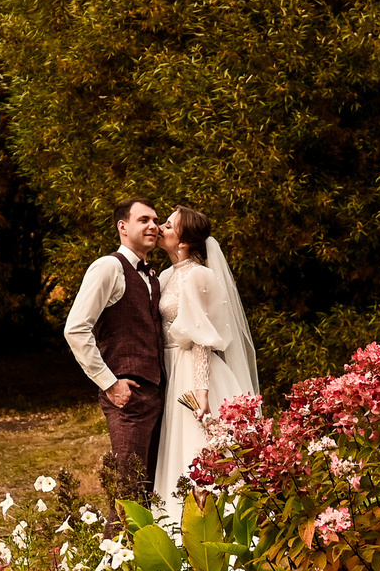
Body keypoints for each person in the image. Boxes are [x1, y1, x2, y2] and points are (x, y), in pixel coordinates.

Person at [150, 205, 261, 505]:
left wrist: (202, 394)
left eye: (168, 226)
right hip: (172, 367)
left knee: (197, 446)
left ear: (184, 242)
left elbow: (201, 339)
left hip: (193, 370)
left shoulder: (198, 275)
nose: (160, 228)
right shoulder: (166, 275)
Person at [62, 197, 167, 500]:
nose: (153, 226)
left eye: (155, 220)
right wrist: (109, 383)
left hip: (157, 394)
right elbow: (76, 329)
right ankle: (115, 535)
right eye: (143, 220)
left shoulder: (152, 277)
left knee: (150, 494)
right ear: (123, 226)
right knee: (128, 494)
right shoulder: (109, 267)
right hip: (127, 397)